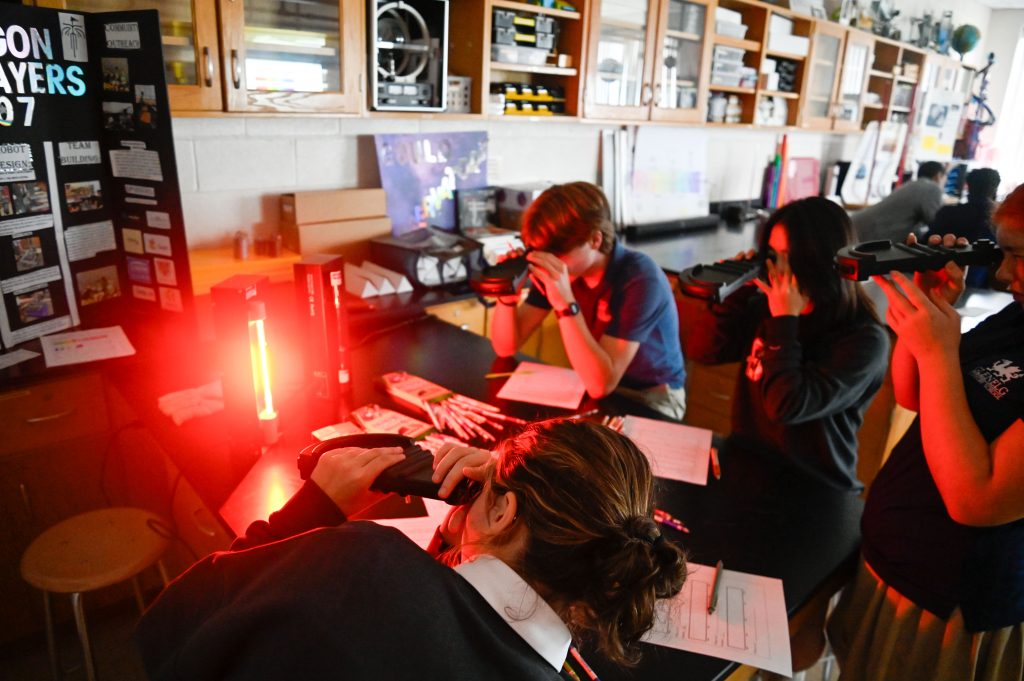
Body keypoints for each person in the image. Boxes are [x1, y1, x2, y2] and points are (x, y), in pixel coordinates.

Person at [136, 419, 688, 680]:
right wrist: (471, 534)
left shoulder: (357, 562)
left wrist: (314, 509)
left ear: (503, 511)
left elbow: (167, 629)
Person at [827, 184, 1024, 681]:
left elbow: (977, 499)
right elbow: (915, 395)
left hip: (951, 604)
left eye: (1019, 256)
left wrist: (939, 351)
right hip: (894, 563)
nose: (1002, 274)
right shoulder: (1017, 320)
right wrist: (931, 307)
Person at [686, 197, 890, 492]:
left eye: (790, 256)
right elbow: (702, 351)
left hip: (814, 488)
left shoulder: (864, 340)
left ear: (822, 260)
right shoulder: (765, 308)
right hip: (750, 465)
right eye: (772, 254)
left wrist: (784, 320)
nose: (778, 268)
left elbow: (786, 405)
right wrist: (736, 296)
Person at [489, 182, 687, 420]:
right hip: (592, 380)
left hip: (651, 399)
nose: (546, 261)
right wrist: (507, 296)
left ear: (595, 240)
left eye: (555, 254)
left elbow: (601, 385)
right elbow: (505, 347)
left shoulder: (640, 279)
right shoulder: (564, 267)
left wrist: (566, 306)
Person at [928, 167, 1001, 288]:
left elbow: (927, 241)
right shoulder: (997, 221)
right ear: (995, 189)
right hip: (977, 287)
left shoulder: (947, 212)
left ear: (968, 186)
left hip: (937, 280)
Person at [851, 161, 947, 243]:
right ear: (938, 176)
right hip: (867, 235)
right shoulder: (932, 188)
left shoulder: (913, 185)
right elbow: (937, 223)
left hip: (855, 227)